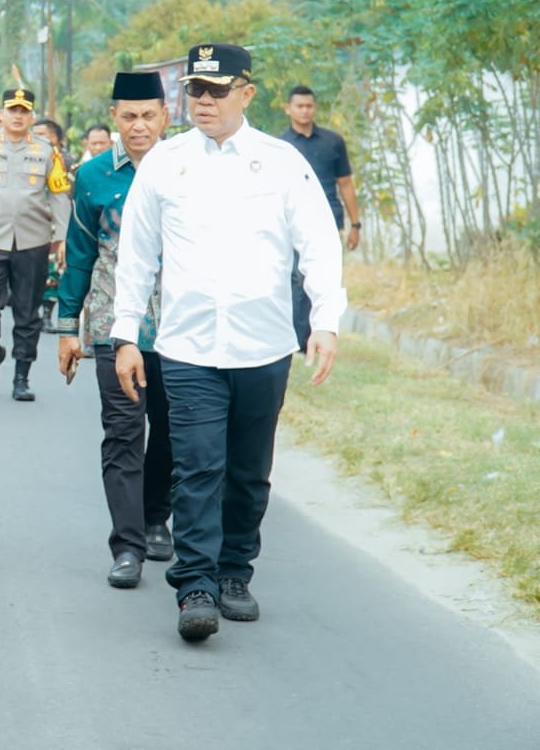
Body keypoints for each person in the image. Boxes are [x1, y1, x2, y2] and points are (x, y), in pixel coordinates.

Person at [112, 42, 345, 643]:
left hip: (264, 345)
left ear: (246, 92)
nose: (204, 101)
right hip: (187, 348)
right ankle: (195, 584)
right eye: (196, 90)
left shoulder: (280, 160)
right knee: (196, 468)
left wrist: (326, 320)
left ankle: (236, 571)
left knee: (247, 471)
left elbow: (318, 242)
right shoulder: (165, 163)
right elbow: (136, 254)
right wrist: (126, 334)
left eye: (217, 90)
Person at [55, 71, 175, 590]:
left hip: (181, 329)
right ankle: (126, 546)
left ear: (166, 116)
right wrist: (67, 327)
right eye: (129, 116)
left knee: (172, 434)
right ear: (114, 118)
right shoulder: (94, 176)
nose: (139, 126)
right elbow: (79, 254)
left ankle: (155, 519)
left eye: (149, 115)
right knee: (123, 434)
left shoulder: (188, 170)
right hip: (113, 326)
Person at [0, 87, 71, 401]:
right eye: (13, 110)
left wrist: (62, 237)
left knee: (28, 312)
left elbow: (59, 194)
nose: (18, 116)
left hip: (33, 241)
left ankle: (21, 376)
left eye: (24, 111)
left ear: (32, 115)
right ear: (2, 113)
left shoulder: (45, 150)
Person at [281, 85, 361, 347]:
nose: (304, 111)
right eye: (299, 106)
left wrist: (355, 224)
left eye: (309, 106)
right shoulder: (280, 147)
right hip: (290, 224)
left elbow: (346, 183)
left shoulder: (333, 141)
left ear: (315, 108)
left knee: (324, 277)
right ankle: (298, 340)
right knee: (295, 278)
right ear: (288, 109)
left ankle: (321, 332)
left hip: (328, 219)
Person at [32, 116, 69, 333]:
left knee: (54, 269)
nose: (38, 138)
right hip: (34, 222)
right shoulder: (31, 156)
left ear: (55, 137)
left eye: (43, 134)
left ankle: (46, 314)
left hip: (58, 223)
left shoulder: (67, 160)